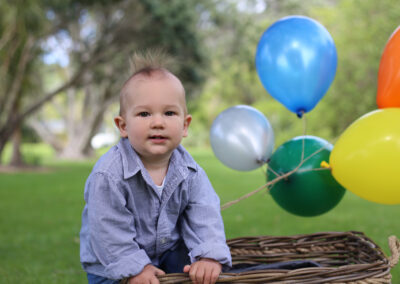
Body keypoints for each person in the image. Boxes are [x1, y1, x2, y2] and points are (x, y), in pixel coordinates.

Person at [80, 53, 232, 284]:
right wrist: (135, 269)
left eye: (169, 113)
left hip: (167, 256)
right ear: (123, 126)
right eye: (144, 114)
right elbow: (107, 229)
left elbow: (205, 213)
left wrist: (208, 256)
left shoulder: (190, 171)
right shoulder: (109, 174)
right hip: (113, 266)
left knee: (199, 273)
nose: (158, 122)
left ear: (184, 125)